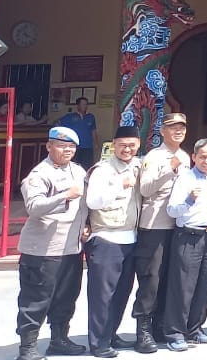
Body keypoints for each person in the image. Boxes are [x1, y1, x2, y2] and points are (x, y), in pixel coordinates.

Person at [14, 126, 87, 360]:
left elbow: (85, 204)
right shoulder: (39, 174)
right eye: (62, 146)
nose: (67, 150)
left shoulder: (78, 170)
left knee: (67, 296)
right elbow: (33, 208)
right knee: (35, 299)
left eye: (71, 147)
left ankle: (59, 339)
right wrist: (64, 195)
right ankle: (27, 347)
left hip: (72, 247)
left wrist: (89, 224)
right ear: (49, 146)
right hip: (43, 249)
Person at [84, 125, 142, 358]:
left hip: (131, 237)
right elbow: (94, 201)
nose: (127, 149)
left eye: (132, 145)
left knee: (122, 293)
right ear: (113, 145)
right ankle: (98, 342)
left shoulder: (139, 166)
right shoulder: (103, 170)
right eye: (122, 145)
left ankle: (111, 334)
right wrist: (120, 184)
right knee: (102, 295)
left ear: (138, 145)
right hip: (106, 237)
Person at [133, 113, 190, 351]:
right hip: (154, 224)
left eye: (182, 128)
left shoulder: (185, 156)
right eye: (173, 128)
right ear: (163, 131)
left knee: (169, 279)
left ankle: (160, 326)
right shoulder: (155, 156)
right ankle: (143, 330)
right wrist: (169, 169)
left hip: (176, 225)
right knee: (151, 279)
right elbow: (145, 188)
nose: (178, 131)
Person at [163, 138, 207, 351]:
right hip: (188, 235)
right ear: (194, 157)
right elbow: (171, 210)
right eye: (203, 157)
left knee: (205, 285)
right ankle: (175, 333)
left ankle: (195, 330)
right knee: (182, 286)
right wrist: (189, 199)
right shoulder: (185, 178)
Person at [56, 99, 97, 169]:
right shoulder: (70, 116)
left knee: (87, 167)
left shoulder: (91, 117)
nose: (85, 106)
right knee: (73, 167)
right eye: (83, 104)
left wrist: (96, 143)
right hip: (74, 147)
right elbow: (57, 123)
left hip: (88, 147)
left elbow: (93, 131)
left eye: (86, 104)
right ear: (78, 106)